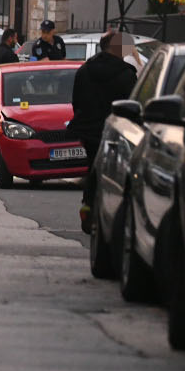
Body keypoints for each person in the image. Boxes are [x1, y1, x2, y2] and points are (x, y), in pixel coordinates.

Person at [68, 30, 138, 232]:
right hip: (117, 132)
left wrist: (83, 123)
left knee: (93, 168)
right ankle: (110, 213)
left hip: (89, 131)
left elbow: (76, 101)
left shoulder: (84, 70)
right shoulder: (126, 74)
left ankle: (88, 206)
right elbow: (133, 104)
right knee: (115, 175)